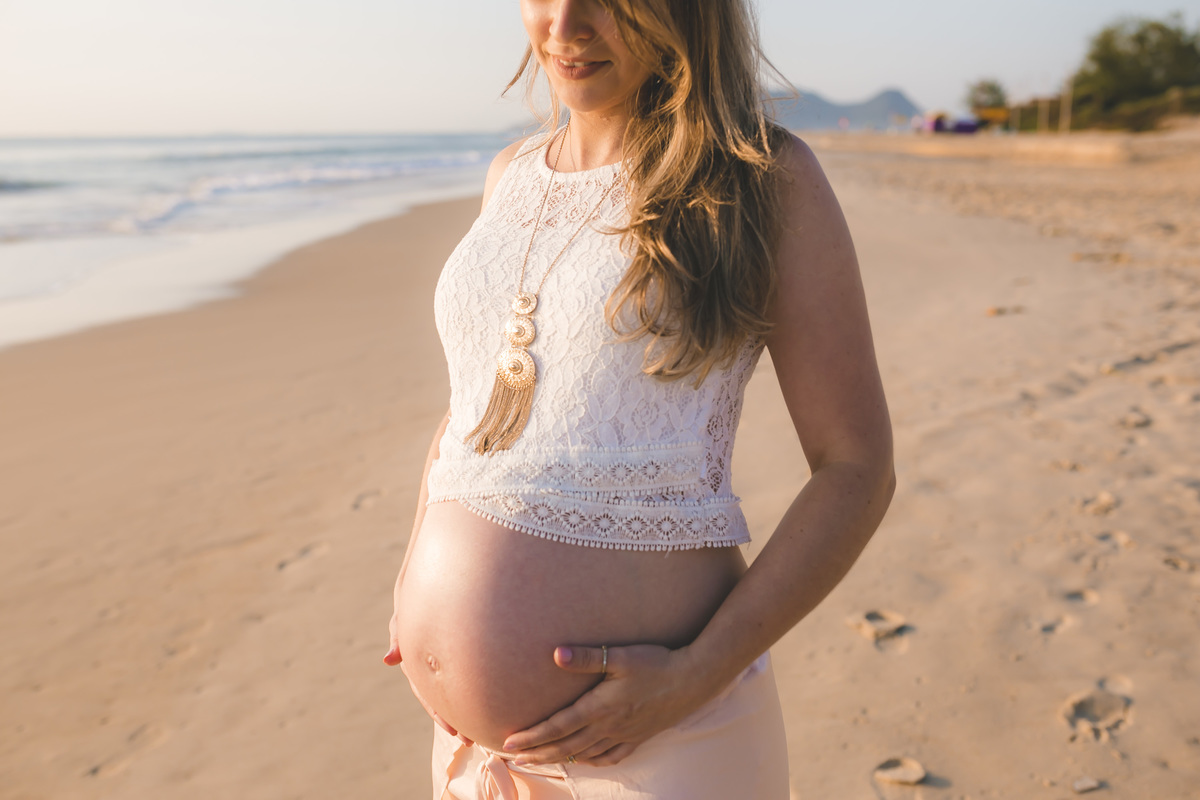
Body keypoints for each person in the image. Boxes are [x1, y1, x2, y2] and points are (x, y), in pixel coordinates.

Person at [384, 0, 895, 797]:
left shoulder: (761, 178)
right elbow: (469, 414)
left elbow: (855, 466)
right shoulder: (510, 173)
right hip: (474, 760)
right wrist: (416, 587)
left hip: (663, 748)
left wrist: (700, 671)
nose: (564, 24)